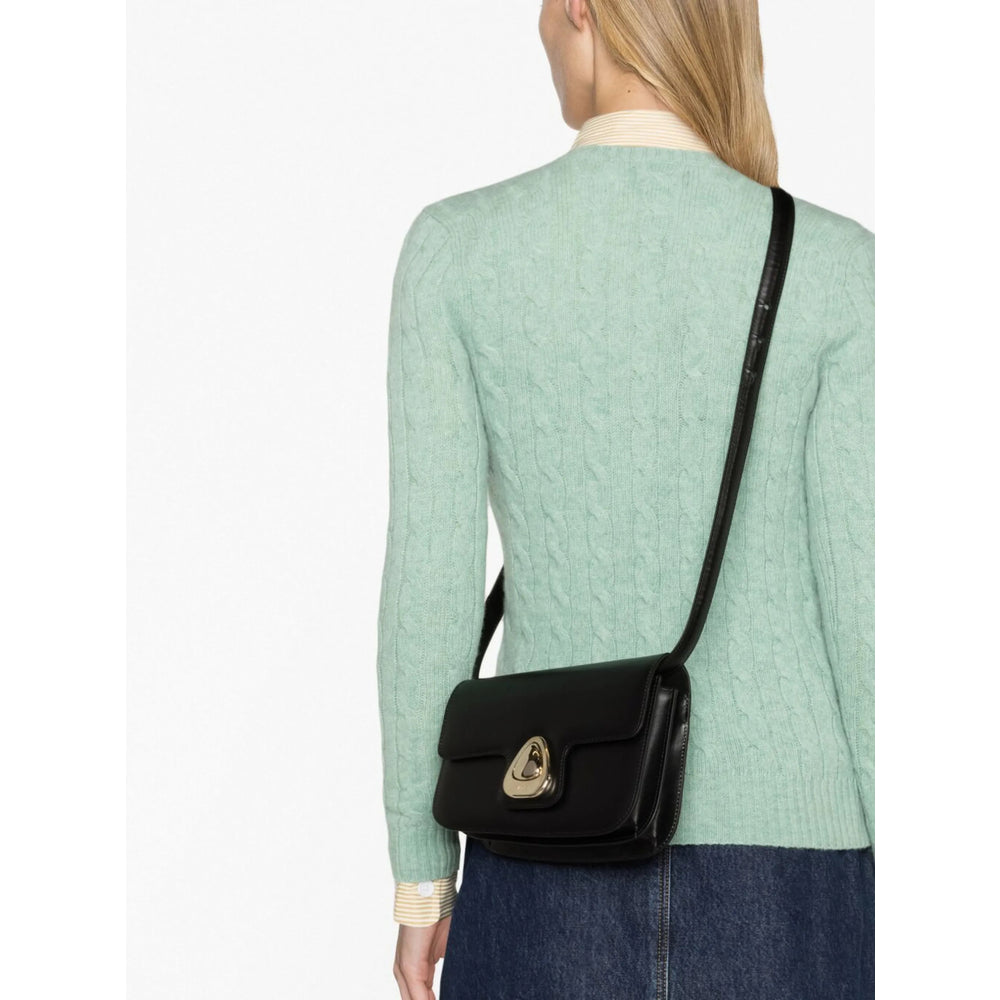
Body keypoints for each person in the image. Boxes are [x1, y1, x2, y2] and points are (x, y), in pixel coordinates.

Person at [374, 1, 874, 997]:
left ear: (580, 11)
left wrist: (422, 882)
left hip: (540, 834)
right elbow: (868, 604)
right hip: (792, 875)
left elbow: (427, 590)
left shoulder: (456, 251)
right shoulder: (836, 266)